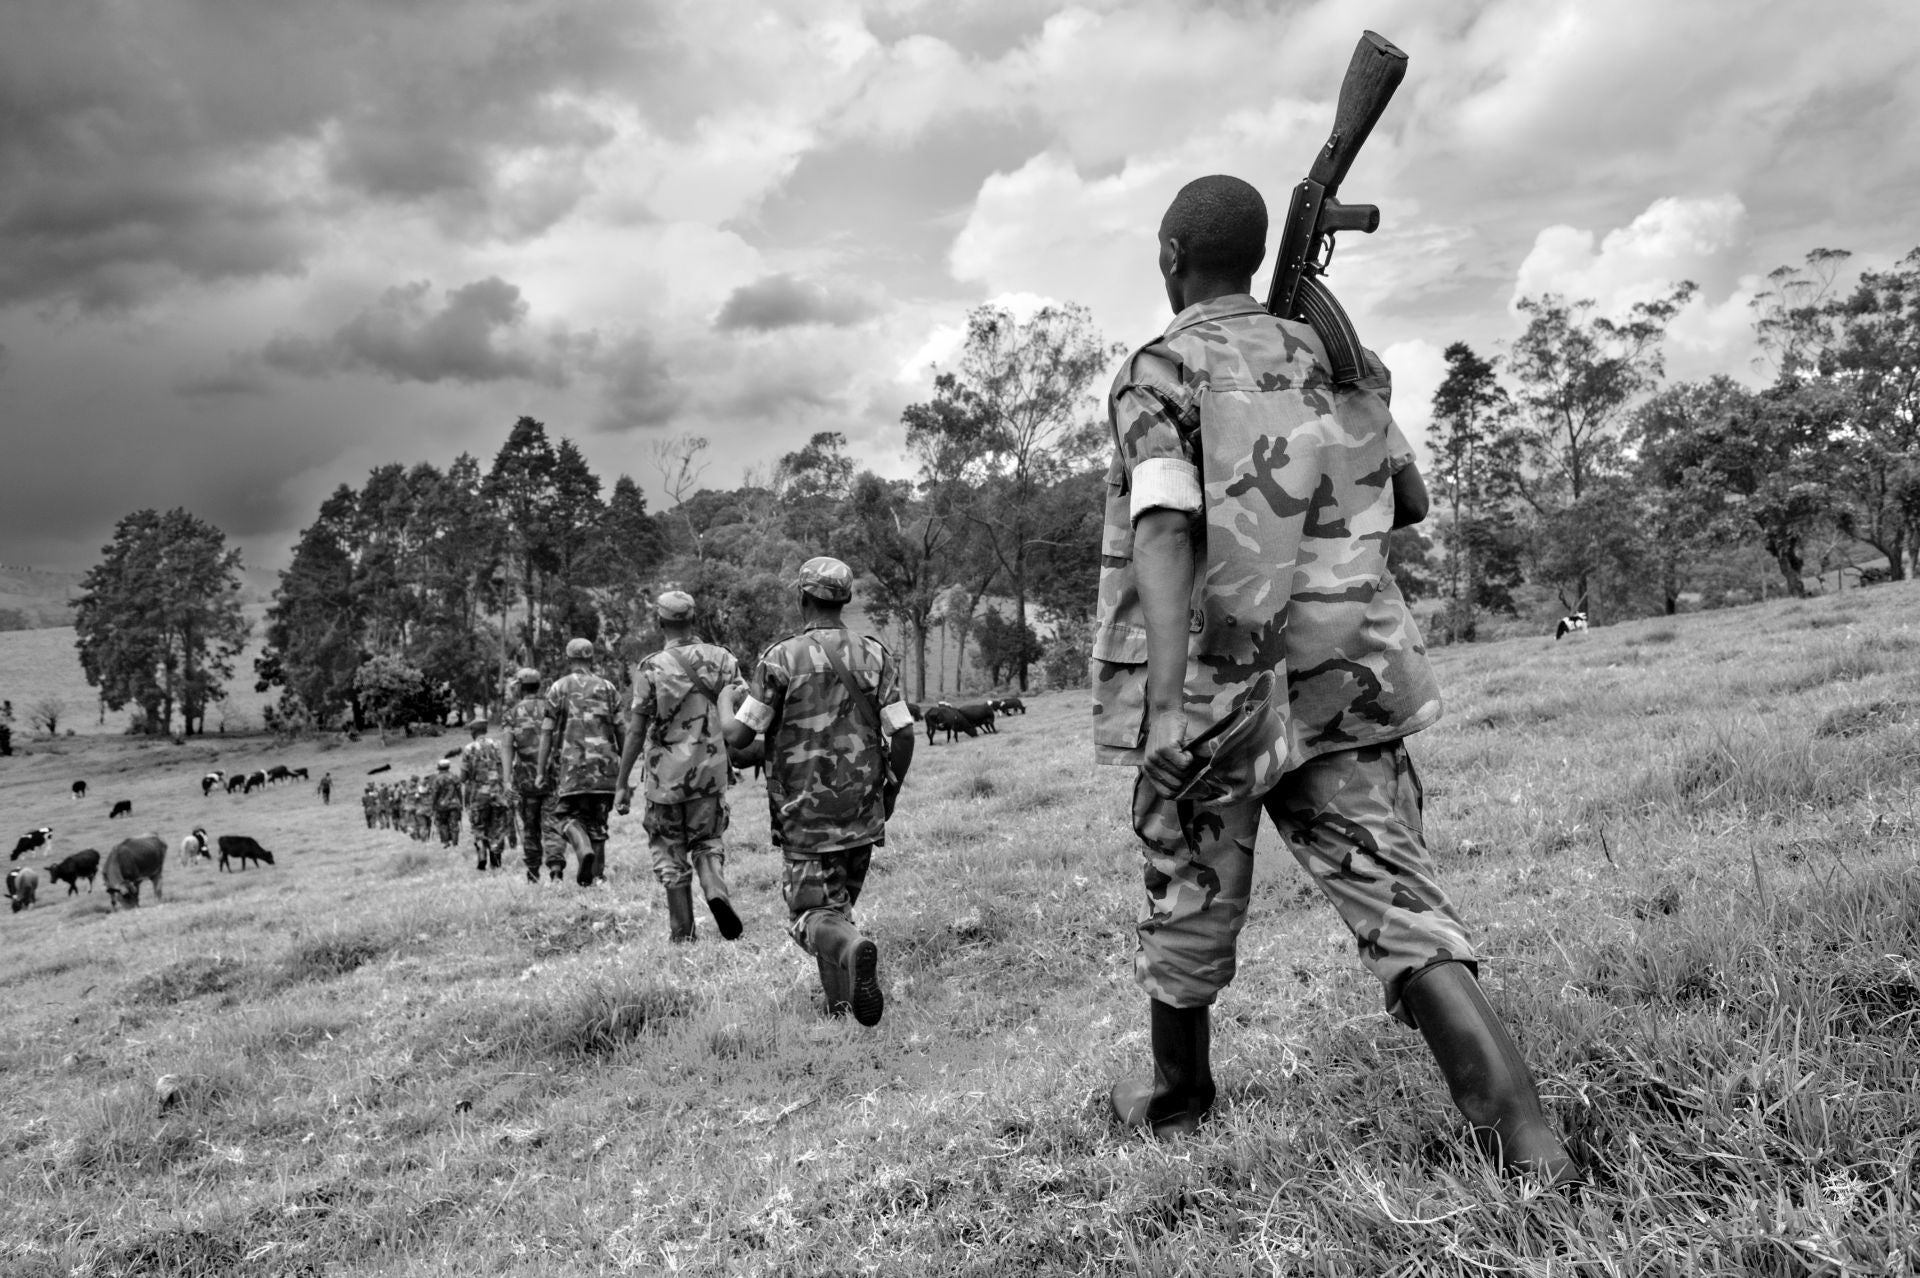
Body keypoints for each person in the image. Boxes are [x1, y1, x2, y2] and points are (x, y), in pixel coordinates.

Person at [1094, 174, 1574, 1183]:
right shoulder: (1336, 353)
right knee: (1398, 899)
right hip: (1342, 672)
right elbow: (1409, 497)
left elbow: (1166, 524)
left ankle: (1181, 1104)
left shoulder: (1160, 369)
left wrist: (1173, 699)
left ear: (1170, 256)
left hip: (1219, 693)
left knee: (1187, 889)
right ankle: (1527, 1141)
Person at [722, 557, 915, 1025]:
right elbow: (904, 733)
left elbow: (738, 739)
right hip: (864, 812)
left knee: (812, 918)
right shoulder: (875, 654)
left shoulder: (781, 658)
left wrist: (722, 701)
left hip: (804, 817)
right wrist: (889, 795)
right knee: (837, 909)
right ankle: (840, 1009)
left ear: (802, 598)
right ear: (846, 601)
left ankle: (853, 948)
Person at [616, 590, 748, 943]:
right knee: (708, 840)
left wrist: (621, 781)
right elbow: (745, 706)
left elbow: (636, 729)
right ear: (694, 619)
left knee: (669, 853)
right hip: (710, 772)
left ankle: (683, 934)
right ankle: (714, 887)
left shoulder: (651, 667)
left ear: (660, 622)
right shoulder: (723, 659)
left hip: (664, 779)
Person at [536, 638, 625, 887]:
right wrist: (624, 767)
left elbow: (546, 732)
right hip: (605, 768)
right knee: (598, 823)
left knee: (565, 817)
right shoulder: (608, 688)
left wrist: (540, 771)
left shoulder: (557, 688)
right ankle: (597, 878)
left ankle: (581, 846)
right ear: (591, 658)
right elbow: (622, 730)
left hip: (570, 769)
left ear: (568, 657)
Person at [504, 667, 555, 882]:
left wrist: (506, 780)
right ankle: (556, 869)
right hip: (553, 777)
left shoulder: (512, 714)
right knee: (552, 825)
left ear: (519, 688)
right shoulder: (552, 707)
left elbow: (507, 747)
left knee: (530, 828)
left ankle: (533, 873)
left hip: (525, 782)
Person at [461, 718, 511, 872]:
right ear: (485, 730)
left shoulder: (469, 749)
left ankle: (481, 847)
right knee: (497, 828)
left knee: (479, 827)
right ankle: (496, 862)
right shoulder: (498, 745)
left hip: (478, 795)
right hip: (497, 793)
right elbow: (506, 769)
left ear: (473, 731)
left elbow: (464, 776)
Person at [430, 759, 463, 847]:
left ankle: (445, 842)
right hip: (454, 804)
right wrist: (461, 803)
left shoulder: (436, 778)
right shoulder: (454, 776)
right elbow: (459, 791)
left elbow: (434, 793)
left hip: (441, 805)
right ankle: (455, 843)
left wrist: (433, 806)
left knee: (442, 823)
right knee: (454, 823)